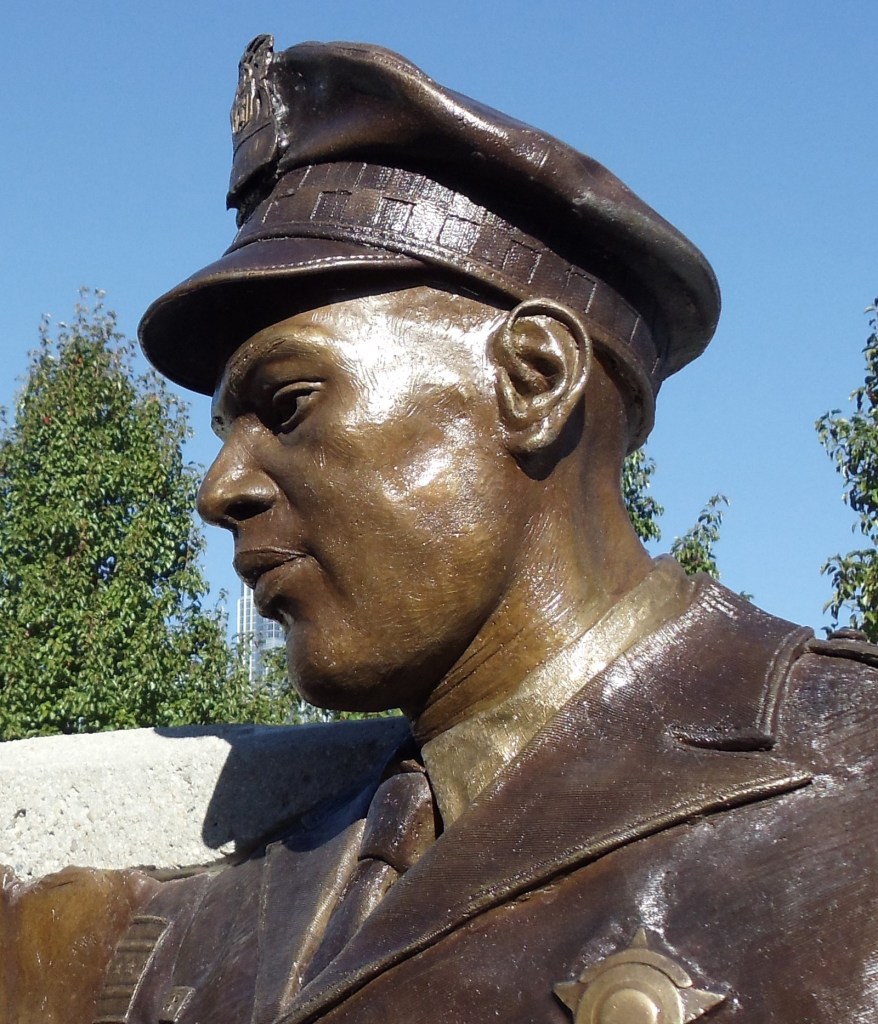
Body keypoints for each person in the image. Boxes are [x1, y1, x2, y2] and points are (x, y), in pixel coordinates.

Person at [8, 36, 878, 1024]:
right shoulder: (226, 913)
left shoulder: (848, 787)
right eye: (222, 433)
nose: (218, 489)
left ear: (533, 380)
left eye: (286, 404)